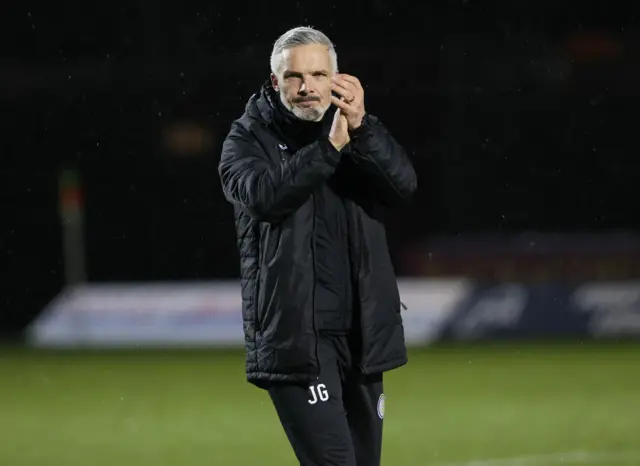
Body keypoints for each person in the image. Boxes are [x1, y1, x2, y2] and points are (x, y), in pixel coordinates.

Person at [218, 25, 417, 466]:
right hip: (297, 342)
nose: (307, 87)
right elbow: (266, 198)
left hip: (363, 334)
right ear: (275, 82)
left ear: (337, 78)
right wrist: (329, 149)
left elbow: (404, 185)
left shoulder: (356, 129)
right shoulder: (247, 140)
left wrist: (362, 128)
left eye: (318, 75)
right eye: (294, 77)